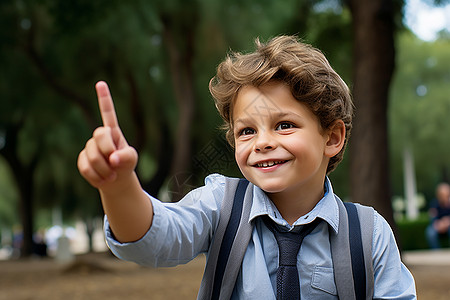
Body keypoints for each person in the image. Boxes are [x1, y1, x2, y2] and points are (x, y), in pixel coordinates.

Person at [77, 35, 416, 299]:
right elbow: (155, 239)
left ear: (332, 137)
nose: (262, 142)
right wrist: (118, 186)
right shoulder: (219, 205)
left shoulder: (368, 234)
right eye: (247, 131)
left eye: (284, 125)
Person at [426, 182, 450, 249]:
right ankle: (436, 251)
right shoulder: (434, 204)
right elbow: (432, 217)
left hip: (448, 225)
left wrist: (446, 222)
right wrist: (438, 224)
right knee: (430, 232)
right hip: (438, 225)